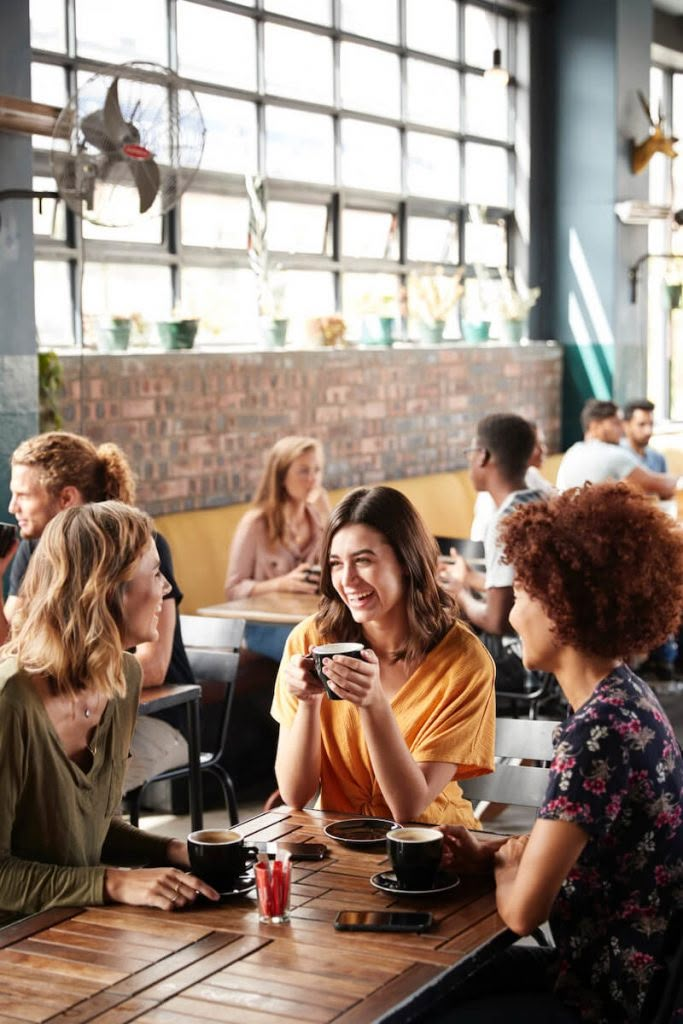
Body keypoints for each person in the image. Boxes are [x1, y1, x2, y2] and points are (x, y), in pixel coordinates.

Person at [434, 482, 683, 1024]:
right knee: (429, 990)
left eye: (522, 596)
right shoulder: (624, 698)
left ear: (563, 607)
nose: (513, 615)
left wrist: (501, 863)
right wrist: (495, 851)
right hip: (624, 976)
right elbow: (578, 838)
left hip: (606, 997)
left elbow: (524, 912)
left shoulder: (598, 733)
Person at [0, 501, 219, 921]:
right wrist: (114, 882)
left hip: (76, 925)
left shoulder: (122, 676)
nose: (167, 589)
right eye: (155, 574)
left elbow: (88, 831)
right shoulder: (12, 700)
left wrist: (177, 851)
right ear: (107, 589)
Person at [271, 485, 495, 828]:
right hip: (340, 847)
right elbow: (295, 795)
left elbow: (409, 807)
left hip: (434, 848)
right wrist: (308, 702)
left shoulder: (464, 661)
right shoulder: (309, 641)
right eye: (335, 564)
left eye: (363, 560)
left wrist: (373, 704)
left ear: (406, 562)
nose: (347, 580)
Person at [0, 432, 192, 794]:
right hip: (75, 709)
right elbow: (12, 648)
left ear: (66, 498)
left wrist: (64, 681)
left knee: (59, 794)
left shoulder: (140, 545)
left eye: (23, 495)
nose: (12, 507)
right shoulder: (34, 549)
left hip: (152, 716)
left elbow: (152, 666)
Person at [440, 414, 546, 692]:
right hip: (553, 646)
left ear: (483, 456)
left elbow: (497, 622)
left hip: (523, 659)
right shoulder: (541, 502)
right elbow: (524, 588)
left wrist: (460, 594)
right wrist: (471, 577)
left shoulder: (505, 521)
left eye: (470, 453)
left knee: (429, 648)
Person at [225, 435, 331, 662]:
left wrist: (327, 516)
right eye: (303, 471)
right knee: (313, 646)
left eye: (317, 470)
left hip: (307, 618)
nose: (312, 479)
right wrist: (281, 584)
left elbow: (335, 566)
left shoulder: (317, 518)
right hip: (263, 626)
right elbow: (233, 590)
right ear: (282, 476)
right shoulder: (256, 523)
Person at [556, 398, 676, 497]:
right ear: (595, 426)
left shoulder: (573, 451)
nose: (622, 429)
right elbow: (659, 485)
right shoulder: (612, 454)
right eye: (615, 423)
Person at [470, 421, 554, 542]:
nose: (542, 450)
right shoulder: (491, 502)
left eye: (471, 453)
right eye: (537, 445)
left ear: (483, 457)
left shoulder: (499, 526)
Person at [621, 397, 668, 472]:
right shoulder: (617, 455)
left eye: (651, 424)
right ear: (626, 425)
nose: (648, 431)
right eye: (641, 424)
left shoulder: (658, 458)